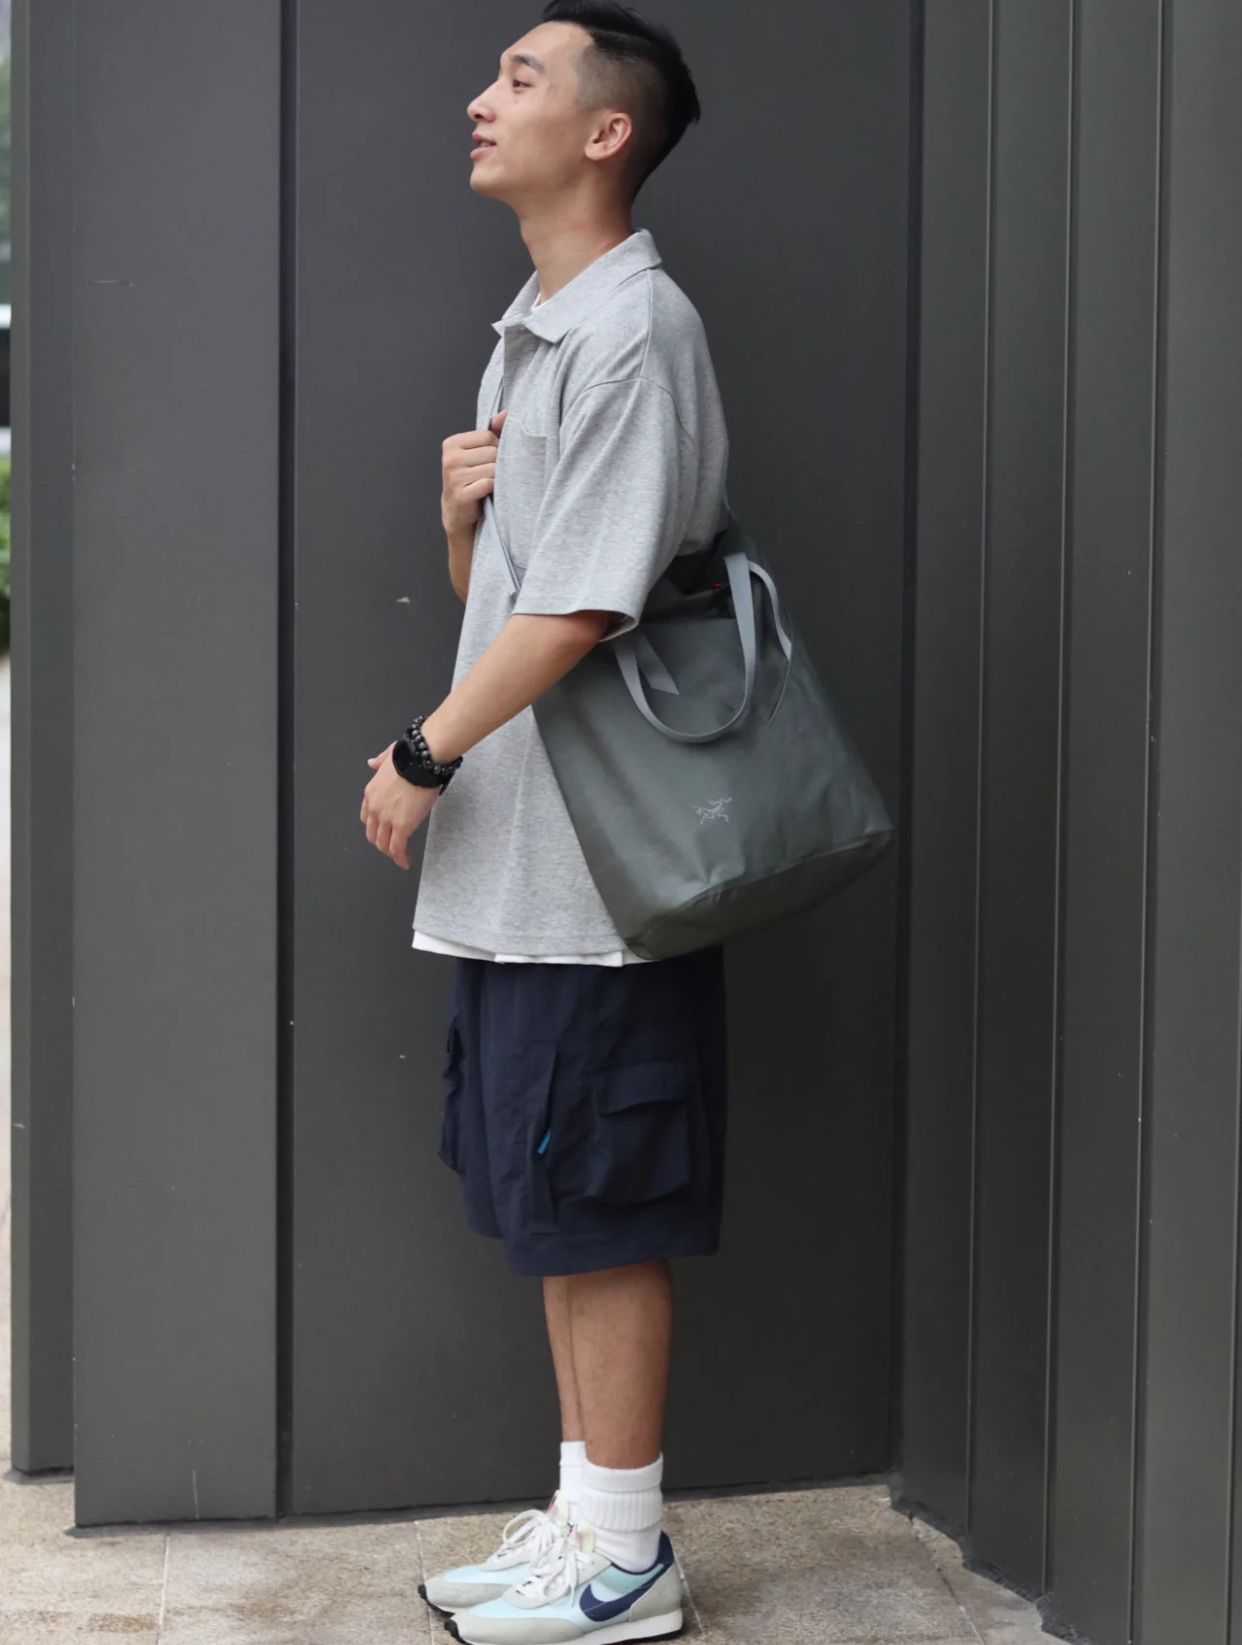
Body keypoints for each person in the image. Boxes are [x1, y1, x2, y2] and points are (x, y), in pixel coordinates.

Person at [358, 5, 728, 1640]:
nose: (480, 97)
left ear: (603, 131)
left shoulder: (635, 330)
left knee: (605, 1204)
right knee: (557, 1205)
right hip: (529, 869)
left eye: (519, 77)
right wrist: (462, 528)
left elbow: (584, 609)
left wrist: (420, 751)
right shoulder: (538, 328)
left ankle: (629, 1559)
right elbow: (517, 591)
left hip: (601, 878)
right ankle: (585, 1523)